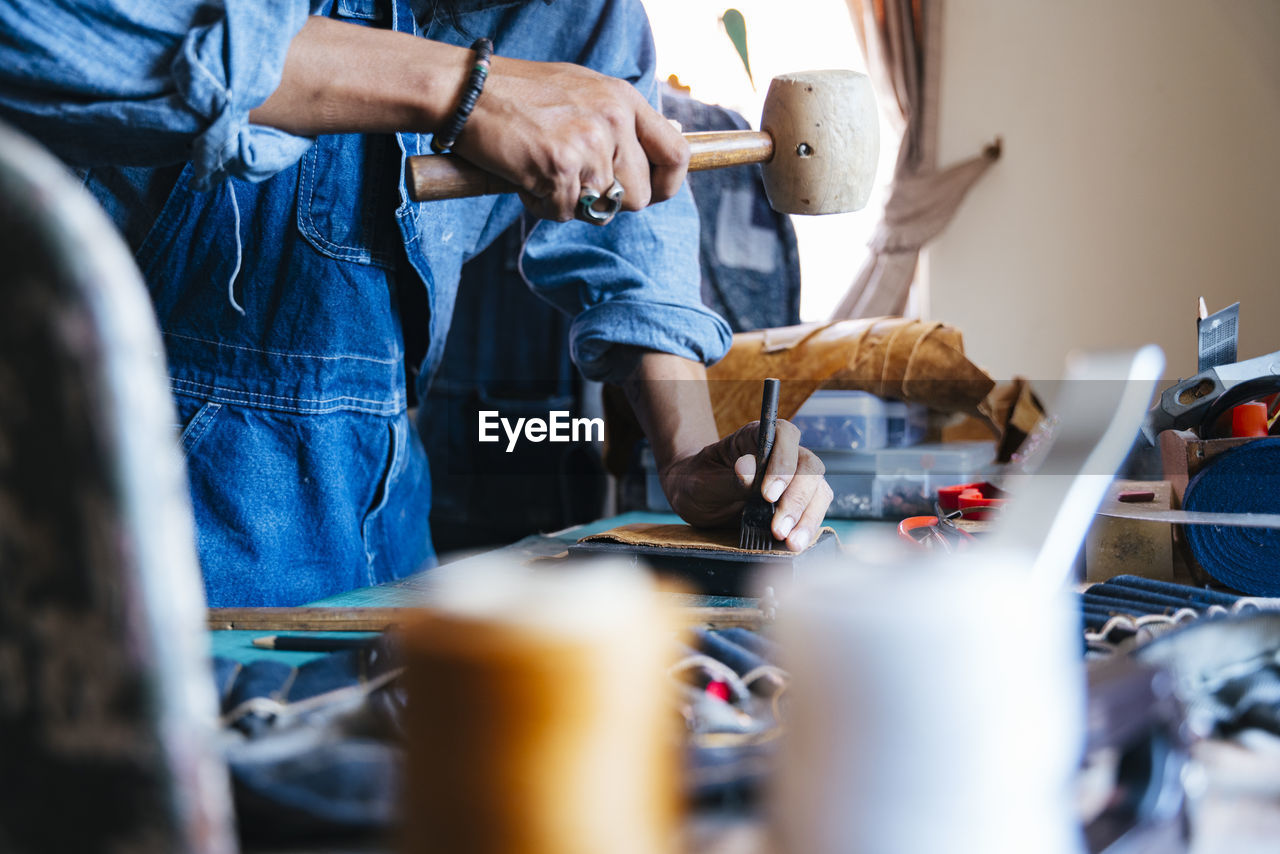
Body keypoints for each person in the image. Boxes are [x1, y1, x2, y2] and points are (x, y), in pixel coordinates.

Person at [0, 0, 832, 606]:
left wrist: (688, 459)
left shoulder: (587, 15)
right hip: (91, 560)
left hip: (385, 565)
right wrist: (463, 87)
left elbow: (633, 243)